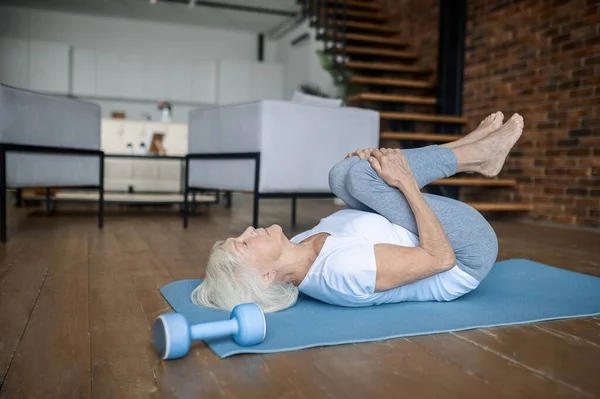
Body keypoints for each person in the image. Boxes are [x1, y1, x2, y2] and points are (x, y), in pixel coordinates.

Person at [192, 112, 524, 313]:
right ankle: (476, 153)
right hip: (467, 251)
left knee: (343, 174)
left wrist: (360, 172)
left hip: (424, 235)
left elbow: (363, 221)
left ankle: (469, 151)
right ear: (266, 276)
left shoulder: (302, 244)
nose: (249, 230)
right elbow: (441, 260)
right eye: (246, 244)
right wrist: (406, 184)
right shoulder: (341, 271)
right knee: (362, 176)